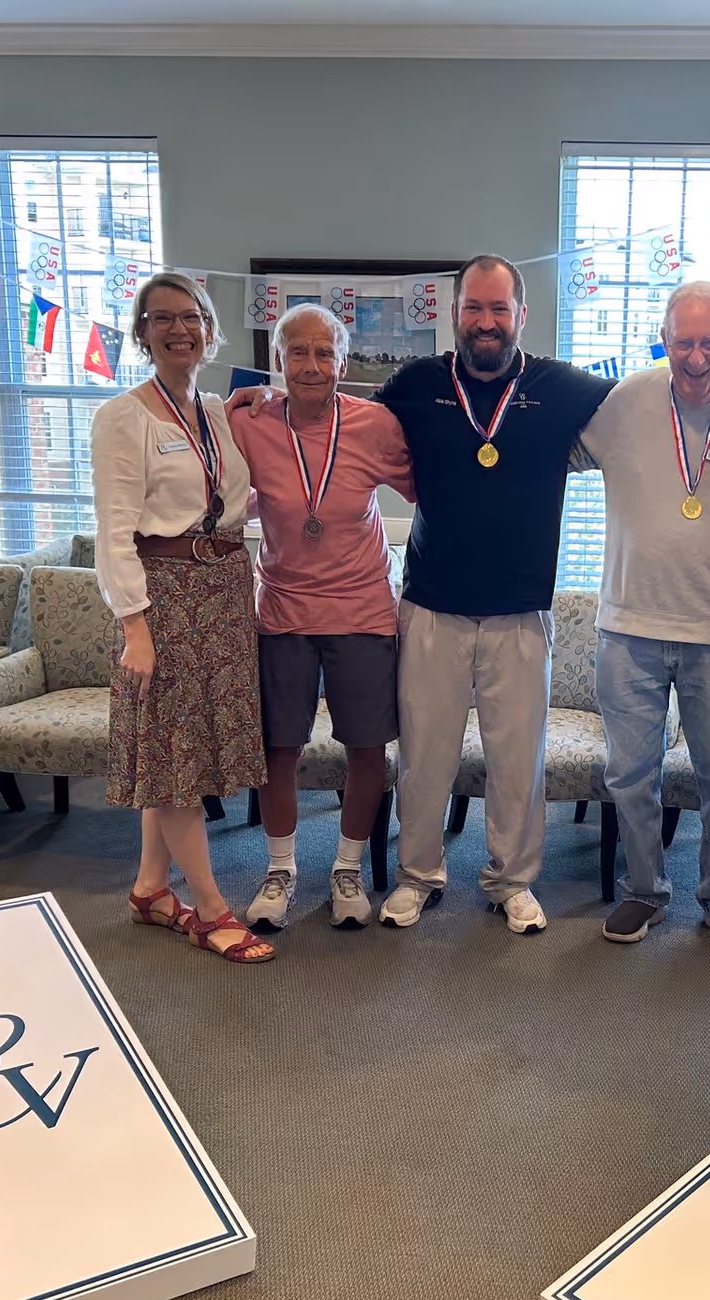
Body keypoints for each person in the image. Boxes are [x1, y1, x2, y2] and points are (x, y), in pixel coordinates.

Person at [369, 255, 620, 934]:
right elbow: (337, 427)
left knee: (517, 759)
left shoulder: (560, 387)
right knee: (424, 756)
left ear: (521, 315)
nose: (486, 322)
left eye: (498, 309)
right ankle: (418, 876)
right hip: (431, 605)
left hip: (519, 610)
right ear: (455, 313)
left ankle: (511, 880)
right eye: (474, 308)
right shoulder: (415, 385)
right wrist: (257, 403)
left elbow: (649, 408)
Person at [574, 280, 710, 951]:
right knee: (629, 775)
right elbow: (554, 454)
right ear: (663, 338)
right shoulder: (622, 402)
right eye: (683, 341)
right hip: (629, 627)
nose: (696, 356)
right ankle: (643, 890)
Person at [92, 272, 273, 963]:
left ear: (209, 329)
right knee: (175, 758)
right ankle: (210, 908)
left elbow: (225, 498)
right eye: (162, 318)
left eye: (191, 317)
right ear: (142, 333)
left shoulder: (218, 413)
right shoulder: (124, 417)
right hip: (164, 599)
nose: (179, 329)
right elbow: (114, 533)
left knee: (180, 754)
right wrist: (134, 627)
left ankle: (149, 890)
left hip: (224, 589)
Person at [228, 303, 415, 930]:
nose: (311, 366)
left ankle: (347, 869)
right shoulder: (248, 421)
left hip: (362, 609)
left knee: (366, 747)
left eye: (324, 353)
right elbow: (207, 467)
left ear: (342, 359)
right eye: (298, 353)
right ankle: (280, 870)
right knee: (276, 748)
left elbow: (430, 486)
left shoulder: (375, 425)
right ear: (278, 361)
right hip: (282, 609)